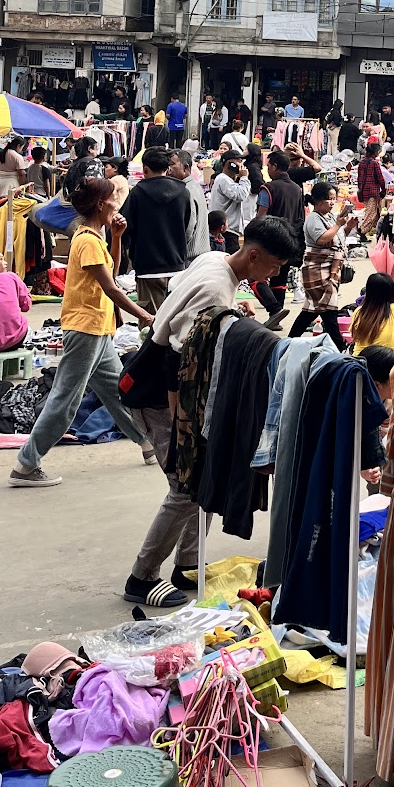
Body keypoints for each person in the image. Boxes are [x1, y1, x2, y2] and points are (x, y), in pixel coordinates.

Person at [124, 215, 298, 607]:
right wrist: (182, 428)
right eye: (274, 266)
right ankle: (141, 576)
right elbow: (177, 359)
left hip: (169, 387)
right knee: (185, 487)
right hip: (160, 394)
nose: (274, 275)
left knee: (200, 479)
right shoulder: (216, 289)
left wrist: (231, 319)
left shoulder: (215, 261)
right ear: (253, 256)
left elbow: (181, 303)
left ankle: (187, 564)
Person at [10, 177, 152, 489]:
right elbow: (112, 288)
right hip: (85, 329)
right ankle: (26, 464)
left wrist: (117, 238)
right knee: (65, 400)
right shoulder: (86, 240)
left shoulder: (95, 237)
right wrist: (143, 315)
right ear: (100, 205)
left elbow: (112, 274)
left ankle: (147, 443)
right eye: (113, 199)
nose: (117, 204)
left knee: (117, 391)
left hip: (98, 328)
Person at [120, 147, 192, 312]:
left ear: (145, 169)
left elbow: (125, 228)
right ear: (168, 169)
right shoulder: (184, 193)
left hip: (147, 267)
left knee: (149, 321)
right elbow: (187, 226)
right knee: (174, 319)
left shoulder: (138, 193)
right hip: (176, 266)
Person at [290, 181, 356, 347]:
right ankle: (339, 345)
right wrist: (339, 225)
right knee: (328, 309)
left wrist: (347, 228)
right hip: (318, 269)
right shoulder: (313, 219)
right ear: (318, 200)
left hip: (329, 269)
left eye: (334, 199)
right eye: (329, 199)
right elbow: (322, 239)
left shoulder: (330, 216)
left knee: (313, 310)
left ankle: (290, 339)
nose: (332, 202)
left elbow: (337, 237)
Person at [253, 149, 305, 328]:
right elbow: (300, 217)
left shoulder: (268, 188)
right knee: (279, 280)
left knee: (254, 277)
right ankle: (276, 318)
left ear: (275, 167)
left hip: (269, 240)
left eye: (268, 166)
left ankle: (274, 310)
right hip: (289, 240)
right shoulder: (296, 189)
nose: (268, 170)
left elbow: (261, 216)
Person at [348, 271, 394, 355]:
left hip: (360, 360)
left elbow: (354, 336)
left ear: (368, 291)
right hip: (391, 360)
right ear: (392, 292)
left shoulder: (360, 311)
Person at [168, 149, 209, 259]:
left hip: (190, 257)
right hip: (198, 255)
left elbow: (188, 230)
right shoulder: (194, 186)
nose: (168, 169)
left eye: (172, 164)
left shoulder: (186, 191)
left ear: (185, 168)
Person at [209, 152, 251, 252]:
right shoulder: (224, 179)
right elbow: (240, 195)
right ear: (229, 164)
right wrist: (244, 178)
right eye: (238, 162)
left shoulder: (228, 180)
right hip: (226, 231)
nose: (241, 166)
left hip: (228, 229)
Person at [356, 139, 389, 239]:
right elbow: (380, 178)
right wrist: (384, 190)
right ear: (375, 152)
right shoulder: (375, 163)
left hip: (364, 192)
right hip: (373, 192)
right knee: (371, 214)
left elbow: (360, 178)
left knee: (373, 213)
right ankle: (362, 231)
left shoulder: (362, 163)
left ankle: (376, 232)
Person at [0, 136, 29, 201]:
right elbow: (21, 174)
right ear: (18, 146)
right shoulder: (17, 157)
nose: (21, 150)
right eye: (22, 148)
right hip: (11, 186)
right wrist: (24, 187)